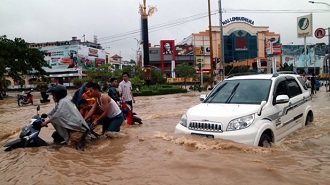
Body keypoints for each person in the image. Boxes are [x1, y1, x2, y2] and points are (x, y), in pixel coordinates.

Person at [41, 84, 90, 150]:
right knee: (79, 148)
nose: (52, 97)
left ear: (58, 95)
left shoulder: (63, 102)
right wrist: (45, 116)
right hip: (77, 128)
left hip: (77, 130)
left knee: (70, 150)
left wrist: (46, 122)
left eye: (53, 95)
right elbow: (54, 111)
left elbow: (57, 114)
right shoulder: (63, 102)